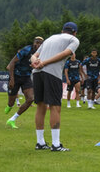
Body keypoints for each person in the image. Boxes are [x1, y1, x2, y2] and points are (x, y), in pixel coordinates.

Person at [31, 22, 79, 151]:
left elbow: (34, 55)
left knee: (40, 106)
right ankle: (56, 144)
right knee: (55, 107)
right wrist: (44, 63)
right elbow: (64, 54)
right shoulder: (73, 39)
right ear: (74, 32)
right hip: (51, 73)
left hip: (37, 73)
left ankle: (40, 142)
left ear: (62, 30)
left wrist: (36, 63)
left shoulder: (50, 38)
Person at [5, 36, 44, 128]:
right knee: (11, 102)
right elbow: (11, 63)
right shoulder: (26, 50)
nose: (38, 45)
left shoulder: (42, 53)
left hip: (26, 77)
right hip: (16, 76)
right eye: (36, 42)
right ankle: (9, 106)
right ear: (33, 42)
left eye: (40, 43)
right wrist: (12, 79)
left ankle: (12, 119)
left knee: (30, 99)